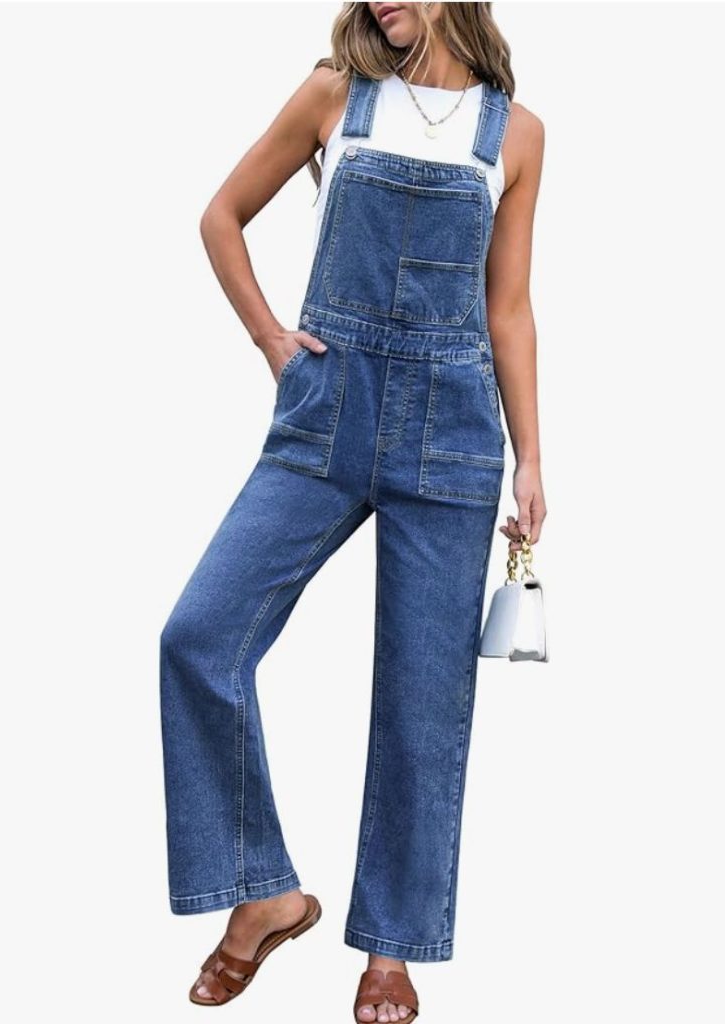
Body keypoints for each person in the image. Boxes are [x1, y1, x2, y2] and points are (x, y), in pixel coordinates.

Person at [159, 3, 547, 1021]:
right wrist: (270, 341)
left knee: (423, 701)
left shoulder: (515, 134)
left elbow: (506, 306)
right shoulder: (336, 92)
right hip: (327, 411)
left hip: (453, 431)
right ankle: (261, 894)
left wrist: (531, 459)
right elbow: (220, 215)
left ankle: (389, 949)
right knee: (198, 636)